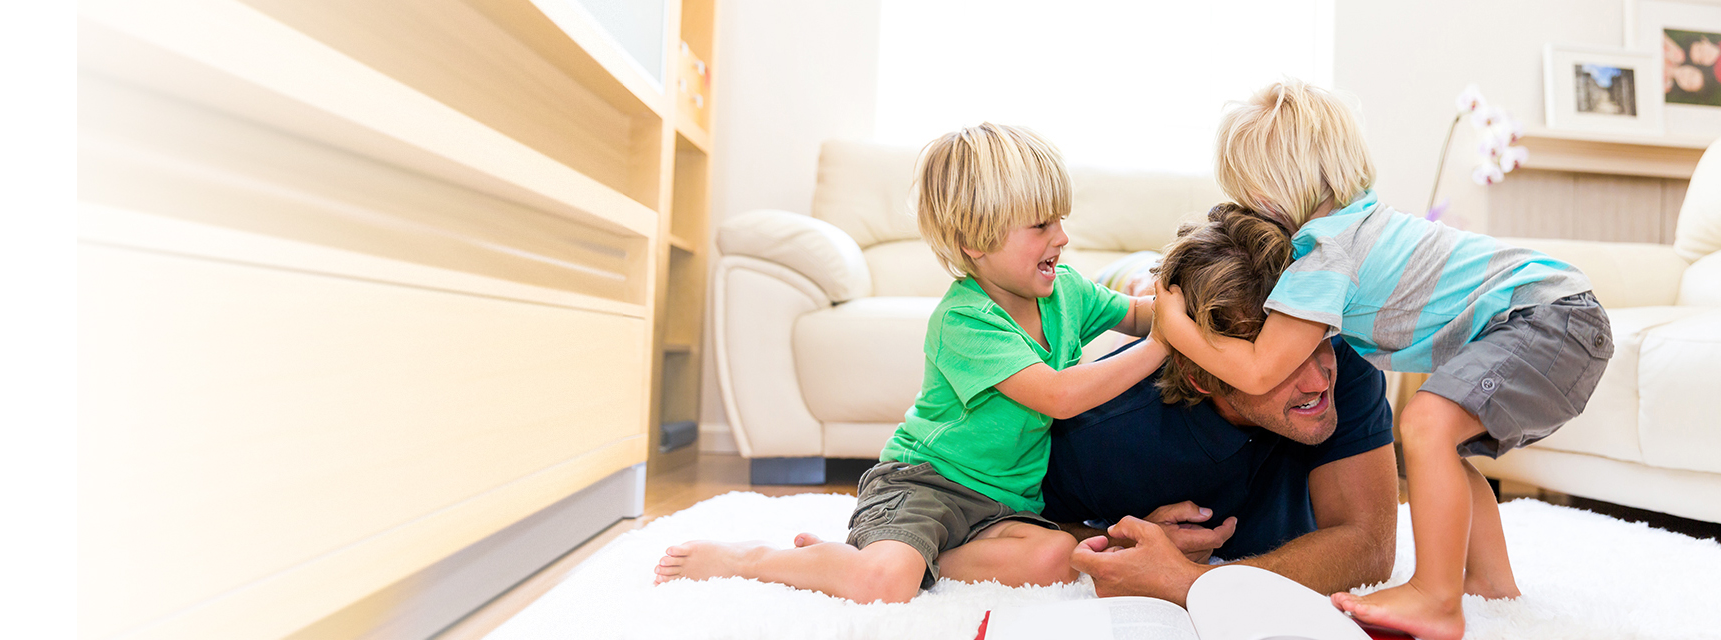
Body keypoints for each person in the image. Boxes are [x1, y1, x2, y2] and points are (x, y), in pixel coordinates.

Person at [1153, 81, 1613, 640]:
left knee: (1424, 425)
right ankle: (1487, 580)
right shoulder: (1363, 223)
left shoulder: (1326, 255)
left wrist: (1172, 325)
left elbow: (1258, 370)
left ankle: (1436, 597)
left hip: (1548, 316)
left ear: (1269, 195)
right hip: (1562, 313)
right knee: (1444, 445)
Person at [652, 123, 1166, 603]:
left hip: (1006, 503)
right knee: (886, 586)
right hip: (925, 485)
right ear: (975, 241)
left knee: (1059, 558)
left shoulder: (1067, 290)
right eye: (1040, 225)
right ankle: (755, 560)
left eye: (1060, 219)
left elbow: (1144, 315)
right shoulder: (965, 321)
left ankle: (886, 558)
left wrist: (1175, 302)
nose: (1062, 236)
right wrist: (1160, 346)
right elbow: (1058, 394)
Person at [1043, 204, 1397, 607]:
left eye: (1316, 344)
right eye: (1281, 367)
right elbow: (1018, 526)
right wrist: (1116, 538)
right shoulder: (1098, 431)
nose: (1319, 382)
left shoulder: (1345, 353)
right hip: (1127, 320)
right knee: (1139, 287)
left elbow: (1370, 545)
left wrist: (1192, 580)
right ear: (1201, 377)